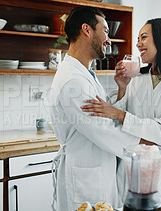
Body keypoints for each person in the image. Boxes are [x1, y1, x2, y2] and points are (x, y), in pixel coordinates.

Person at [81, 18, 161, 195]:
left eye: (144, 38)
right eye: (138, 39)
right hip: (134, 164)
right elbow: (118, 126)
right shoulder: (136, 78)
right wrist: (122, 88)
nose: (138, 44)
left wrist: (120, 115)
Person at [47, 6, 142, 210]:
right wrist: (145, 142)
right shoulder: (73, 81)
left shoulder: (83, 73)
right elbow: (103, 129)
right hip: (86, 178)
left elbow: (103, 114)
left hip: (95, 170)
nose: (109, 39)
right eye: (106, 31)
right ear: (87, 30)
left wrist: (121, 88)